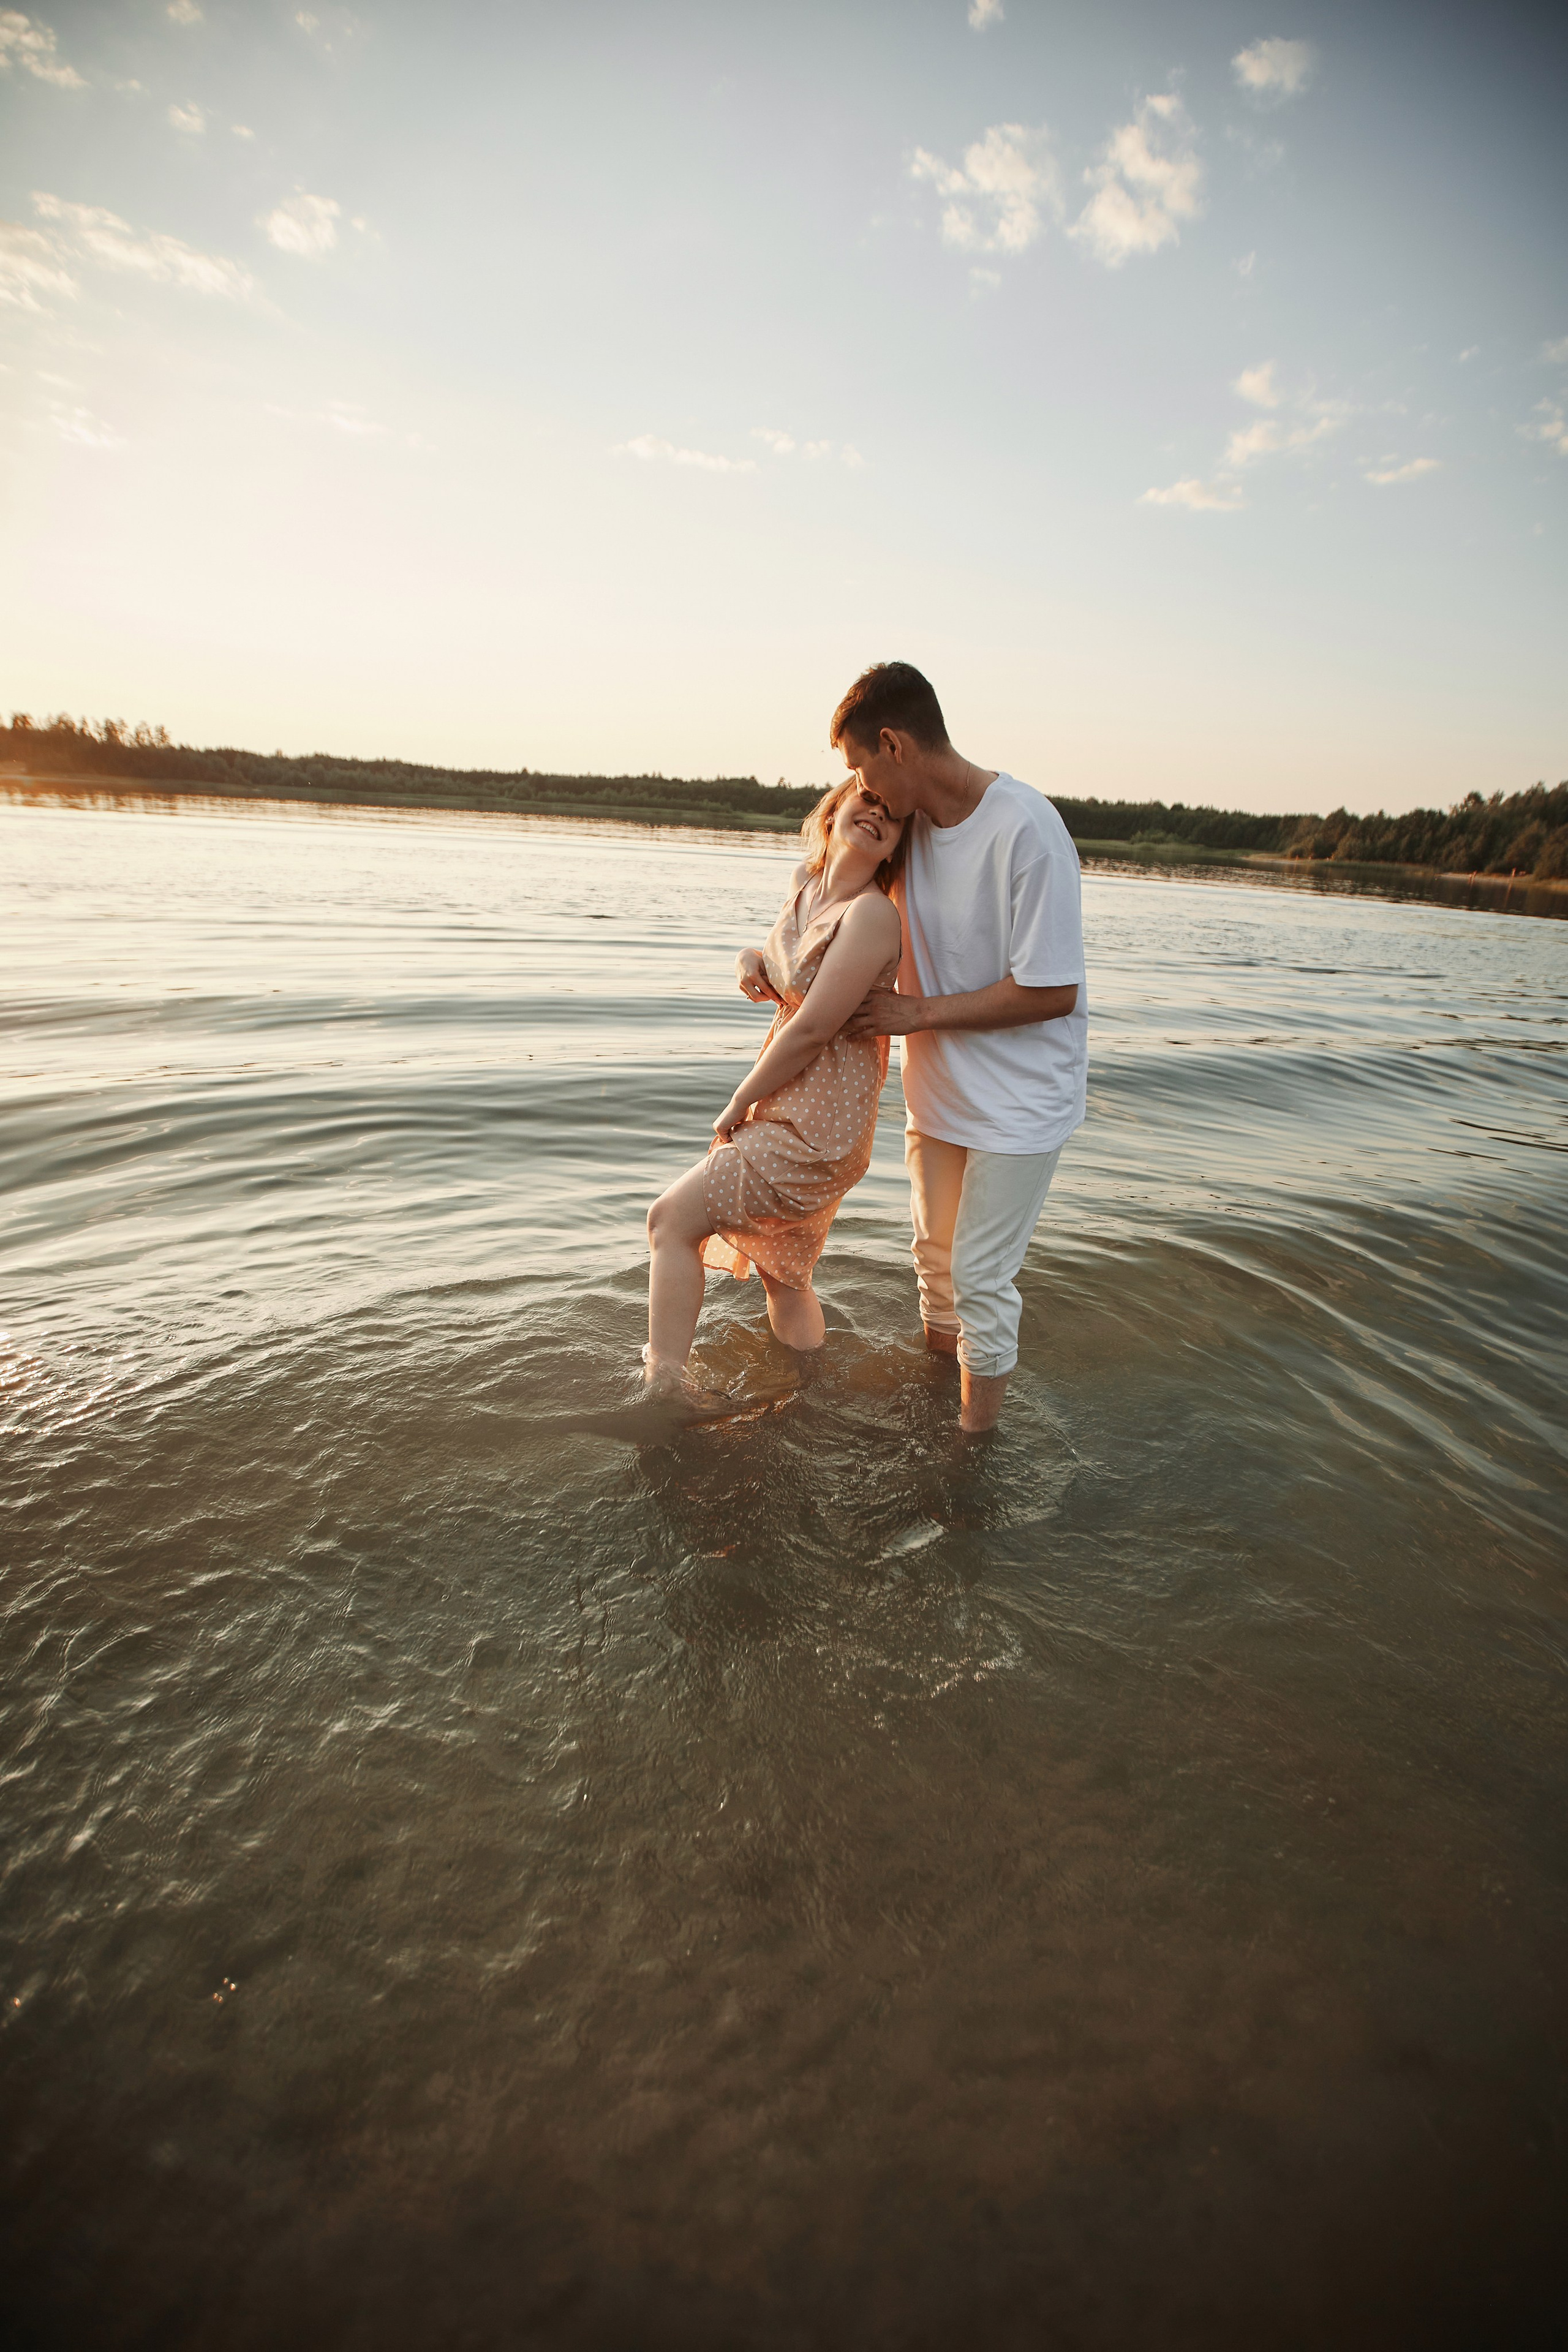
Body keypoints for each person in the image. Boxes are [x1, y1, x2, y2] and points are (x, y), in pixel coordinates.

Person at [836, 661, 1087, 1435]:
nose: (861, 792)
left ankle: (972, 1451)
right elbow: (830, 892)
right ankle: (933, 1407)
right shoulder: (905, 829)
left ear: (893, 744)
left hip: (1021, 1103)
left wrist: (915, 1013)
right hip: (938, 1094)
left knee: (980, 1278)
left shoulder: (1026, 829)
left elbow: (1051, 991)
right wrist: (761, 956)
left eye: (861, 769)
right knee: (934, 1270)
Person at [643, 780, 907, 1395]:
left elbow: (814, 1025)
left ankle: (663, 1388)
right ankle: (809, 1389)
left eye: (893, 815)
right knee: (785, 1279)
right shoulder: (805, 883)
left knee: (670, 1220)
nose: (877, 812)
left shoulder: (872, 914)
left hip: (818, 1129)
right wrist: (747, 959)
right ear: (837, 805)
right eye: (868, 798)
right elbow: (783, 962)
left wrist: (738, 1100)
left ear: (897, 844)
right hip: (787, 1103)